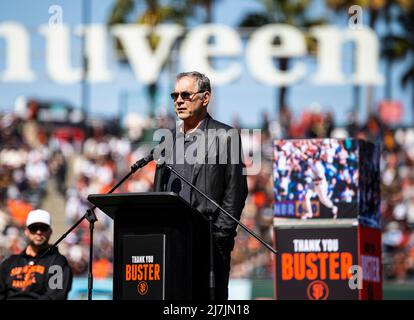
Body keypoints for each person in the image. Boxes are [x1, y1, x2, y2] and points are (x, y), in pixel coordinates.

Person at [153, 71, 248, 299]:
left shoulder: (227, 136)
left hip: (209, 245)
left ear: (205, 98)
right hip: (172, 245)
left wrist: (220, 236)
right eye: (174, 95)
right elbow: (158, 190)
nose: (178, 100)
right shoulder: (166, 140)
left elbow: (237, 190)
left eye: (186, 94)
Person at [0, 209, 73, 300]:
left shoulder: (57, 263)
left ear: (50, 231)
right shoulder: (9, 262)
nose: (38, 232)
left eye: (43, 228)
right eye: (33, 228)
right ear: (26, 231)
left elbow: (55, 296)